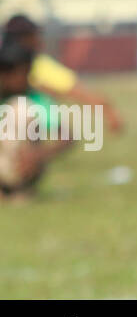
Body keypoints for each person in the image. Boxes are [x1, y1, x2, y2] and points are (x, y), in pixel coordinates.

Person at [2, 15, 123, 135]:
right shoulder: (36, 65)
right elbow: (80, 93)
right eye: (34, 35)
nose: (38, 40)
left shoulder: (37, 65)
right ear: (24, 38)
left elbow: (79, 92)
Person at [0, 39, 74, 200]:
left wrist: (39, 154)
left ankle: (17, 189)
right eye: (23, 73)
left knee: (22, 109)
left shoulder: (35, 99)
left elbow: (67, 136)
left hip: (20, 170)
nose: (27, 79)